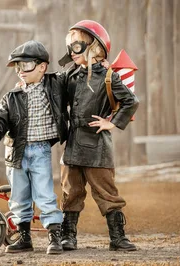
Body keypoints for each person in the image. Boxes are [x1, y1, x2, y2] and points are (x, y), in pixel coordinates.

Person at [57, 20, 139, 252]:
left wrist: (111, 122)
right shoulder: (71, 76)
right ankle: (68, 236)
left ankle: (118, 237)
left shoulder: (108, 77)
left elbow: (131, 101)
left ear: (94, 47)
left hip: (97, 145)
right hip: (73, 144)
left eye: (75, 46)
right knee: (71, 191)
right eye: (69, 46)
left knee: (106, 192)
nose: (71, 52)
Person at [0, 40, 68, 255]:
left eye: (26, 65)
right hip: (16, 153)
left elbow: (73, 70)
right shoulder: (12, 97)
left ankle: (54, 236)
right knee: (19, 197)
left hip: (40, 151)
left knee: (45, 194)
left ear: (42, 67)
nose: (21, 71)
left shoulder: (55, 85)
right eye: (17, 67)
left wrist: (78, 49)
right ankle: (24, 237)